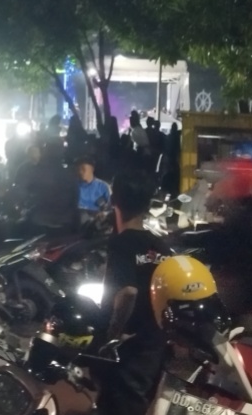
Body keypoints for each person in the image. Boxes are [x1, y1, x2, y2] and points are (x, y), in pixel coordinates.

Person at [97, 169, 171, 415]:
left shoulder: (121, 243)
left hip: (128, 345)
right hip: (154, 343)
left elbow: (128, 291)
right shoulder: (161, 246)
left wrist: (113, 334)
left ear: (114, 200)